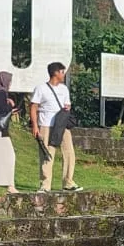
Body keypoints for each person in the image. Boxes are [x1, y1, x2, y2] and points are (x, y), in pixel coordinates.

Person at [29, 62, 80, 193]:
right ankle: (45, 185)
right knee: (47, 154)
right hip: (46, 124)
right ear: (56, 73)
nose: (64, 74)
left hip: (62, 125)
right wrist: (35, 126)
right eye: (62, 72)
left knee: (69, 153)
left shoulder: (64, 89)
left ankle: (68, 182)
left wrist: (67, 109)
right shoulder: (41, 88)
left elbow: (67, 105)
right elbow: (34, 107)